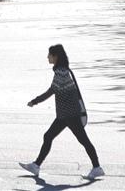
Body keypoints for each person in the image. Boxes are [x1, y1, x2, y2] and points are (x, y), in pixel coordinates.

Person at [19, 44, 103, 180]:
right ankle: (36, 165)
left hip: (69, 115)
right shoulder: (62, 70)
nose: (47, 57)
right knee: (49, 136)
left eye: (49, 55)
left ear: (55, 56)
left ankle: (97, 167)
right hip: (65, 114)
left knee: (83, 140)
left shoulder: (61, 72)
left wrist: (35, 101)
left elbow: (51, 91)